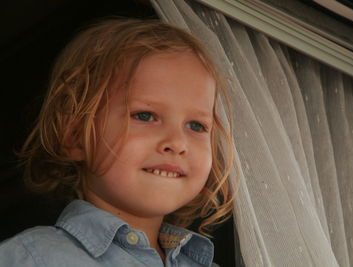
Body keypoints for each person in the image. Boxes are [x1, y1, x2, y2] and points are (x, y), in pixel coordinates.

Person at [0, 18, 235, 266]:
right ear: (76, 136)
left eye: (196, 125)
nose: (177, 142)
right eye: (145, 116)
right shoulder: (33, 259)